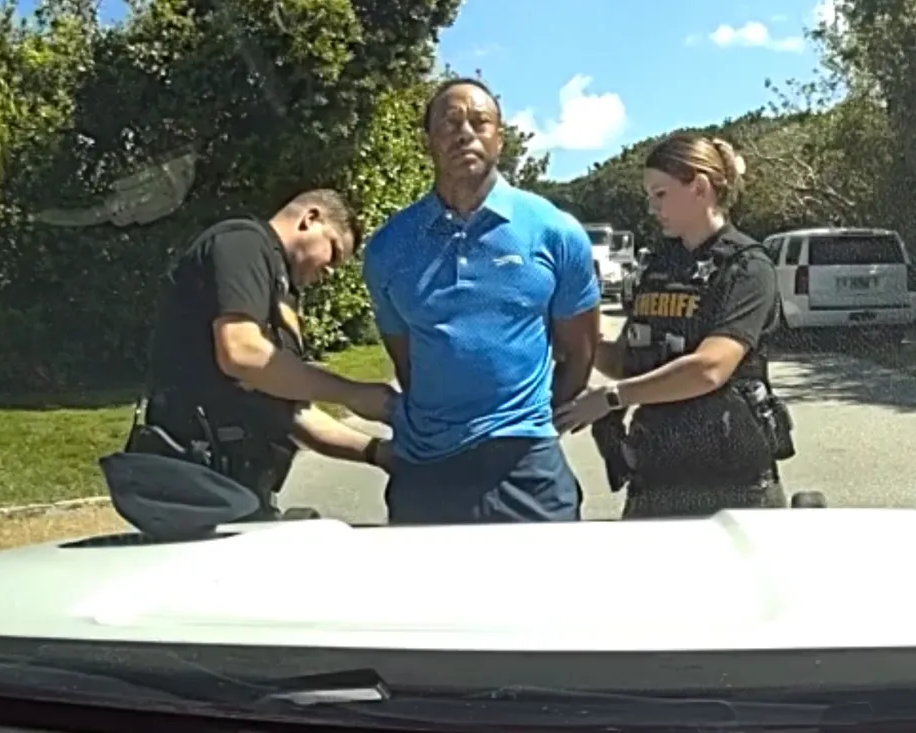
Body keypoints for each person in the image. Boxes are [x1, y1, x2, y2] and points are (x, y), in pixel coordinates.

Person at [362, 78, 601, 525]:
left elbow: (580, 351)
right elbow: (407, 361)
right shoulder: (387, 248)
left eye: (480, 121)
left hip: (526, 463)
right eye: (449, 123)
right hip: (428, 467)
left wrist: (533, 419)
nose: (464, 132)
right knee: (427, 597)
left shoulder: (555, 230)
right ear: (429, 139)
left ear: (499, 137)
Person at [554, 133, 796, 518]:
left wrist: (613, 397)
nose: (651, 207)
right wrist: (573, 337)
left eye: (660, 194)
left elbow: (709, 369)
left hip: (732, 485)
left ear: (699, 188)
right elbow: (631, 361)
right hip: (654, 477)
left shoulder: (747, 267)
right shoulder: (658, 268)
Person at [132, 189, 397, 520]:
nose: (330, 272)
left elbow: (294, 413)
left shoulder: (281, 287)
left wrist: (378, 453)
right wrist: (351, 393)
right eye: (334, 252)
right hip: (195, 482)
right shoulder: (242, 244)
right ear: (311, 218)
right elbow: (241, 352)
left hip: (238, 488)